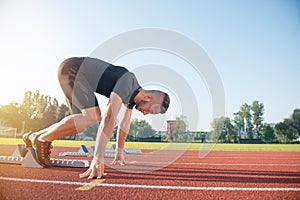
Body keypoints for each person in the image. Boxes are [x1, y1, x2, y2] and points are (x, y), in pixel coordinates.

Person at [22, 57, 170, 179]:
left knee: (81, 120)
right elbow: (109, 117)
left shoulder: (132, 98)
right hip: (73, 70)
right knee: (93, 116)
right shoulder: (129, 81)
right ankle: (43, 140)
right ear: (149, 97)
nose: (145, 113)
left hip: (75, 73)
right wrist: (97, 159)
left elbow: (124, 124)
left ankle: (34, 136)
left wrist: (119, 150)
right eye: (150, 110)